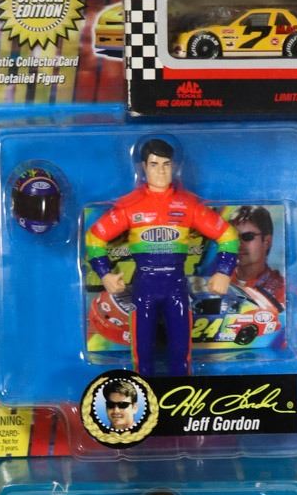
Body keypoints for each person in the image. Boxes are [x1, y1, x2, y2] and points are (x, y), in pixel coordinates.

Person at [85, 138, 238, 376]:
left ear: (174, 166)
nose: (161, 171)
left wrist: (223, 272)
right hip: (144, 287)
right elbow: (94, 238)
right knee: (142, 353)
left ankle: (183, 392)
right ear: (143, 167)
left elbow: (228, 236)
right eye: (154, 164)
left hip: (176, 286)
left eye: (166, 164)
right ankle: (142, 393)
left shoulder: (188, 205)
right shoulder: (130, 206)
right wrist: (105, 274)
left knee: (181, 352)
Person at [230, 205, 285, 307]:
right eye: (233, 237)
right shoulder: (215, 282)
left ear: (267, 241)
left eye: (247, 237)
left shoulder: (283, 291)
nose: (238, 244)